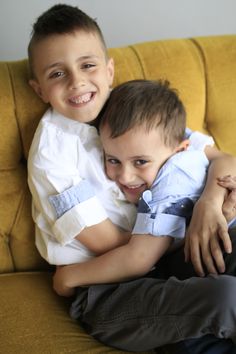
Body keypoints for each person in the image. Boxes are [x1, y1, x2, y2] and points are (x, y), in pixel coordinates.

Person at [27, 4, 236, 353]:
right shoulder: (53, 155)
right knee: (225, 297)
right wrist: (185, 230)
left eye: (88, 65)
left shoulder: (127, 107)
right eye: (57, 74)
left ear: (109, 71)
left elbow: (220, 158)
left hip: (157, 260)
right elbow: (109, 244)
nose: (78, 82)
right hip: (107, 288)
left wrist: (209, 204)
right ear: (39, 89)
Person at [53, 79, 236, 286]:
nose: (125, 176)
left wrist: (67, 277)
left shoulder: (171, 178)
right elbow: (227, 159)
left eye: (140, 162)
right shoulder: (166, 142)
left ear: (180, 149)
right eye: (113, 160)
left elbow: (138, 259)